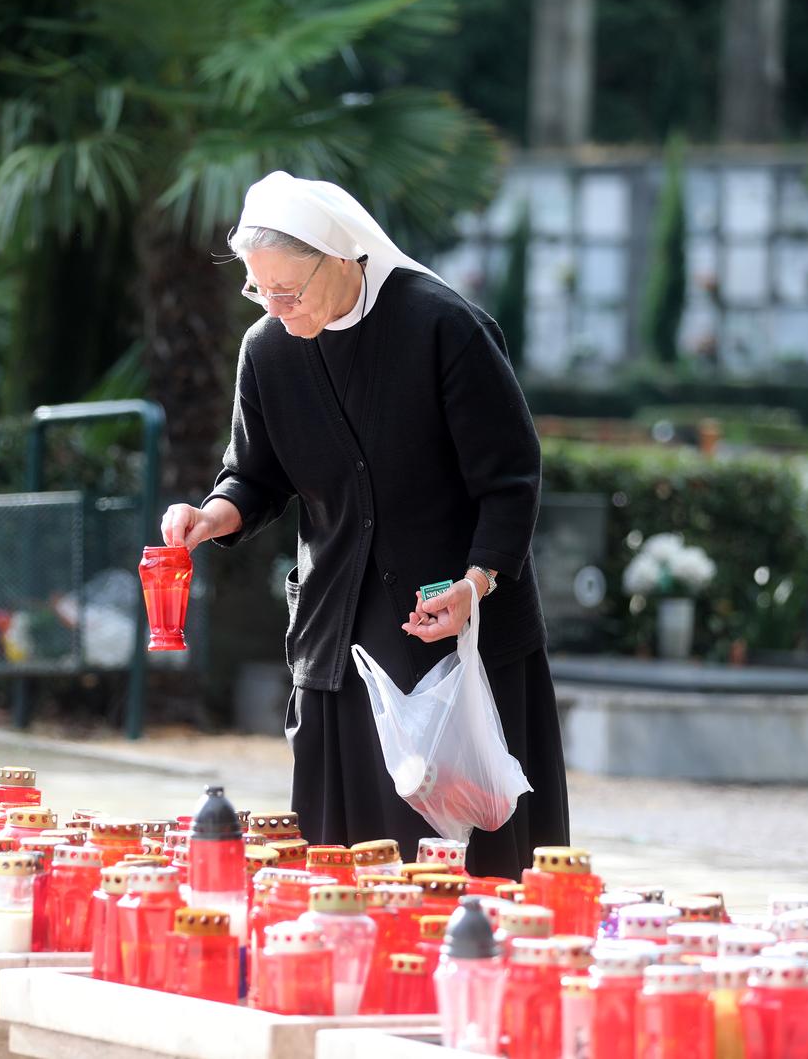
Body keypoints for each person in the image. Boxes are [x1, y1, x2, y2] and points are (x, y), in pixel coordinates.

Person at [161, 171, 569, 878]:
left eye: (290, 289)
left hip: (454, 634)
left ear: (342, 255)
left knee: (473, 865)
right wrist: (210, 517)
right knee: (344, 860)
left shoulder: (445, 328)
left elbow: (510, 479)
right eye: (262, 291)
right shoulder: (267, 349)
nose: (278, 308)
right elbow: (254, 475)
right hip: (339, 644)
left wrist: (476, 583)